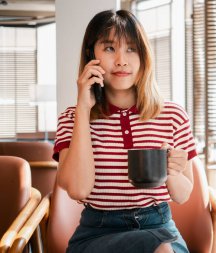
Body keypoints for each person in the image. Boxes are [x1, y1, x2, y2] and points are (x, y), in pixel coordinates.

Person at [53, 9, 197, 253]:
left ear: (143, 56)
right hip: (97, 233)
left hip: (160, 227)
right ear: (91, 54)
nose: (121, 60)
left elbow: (183, 195)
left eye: (131, 48)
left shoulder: (173, 115)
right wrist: (84, 109)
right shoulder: (72, 118)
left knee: (163, 248)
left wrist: (171, 170)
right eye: (109, 48)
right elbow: (78, 189)